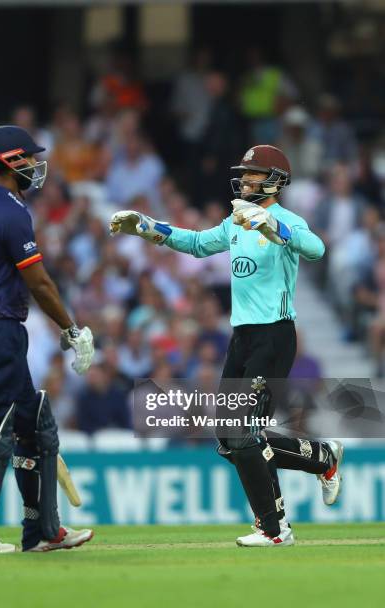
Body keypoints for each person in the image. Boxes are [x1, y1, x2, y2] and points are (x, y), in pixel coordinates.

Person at [110, 144, 343, 547]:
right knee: (227, 435)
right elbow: (198, 244)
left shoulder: (287, 219)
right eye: (245, 174)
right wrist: (148, 227)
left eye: (253, 174)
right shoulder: (236, 221)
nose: (246, 180)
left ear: (274, 181)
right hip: (243, 337)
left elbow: (317, 249)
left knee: (244, 435)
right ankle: (321, 457)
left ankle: (274, 528)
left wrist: (274, 229)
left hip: (274, 335)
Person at [0, 125, 95, 553]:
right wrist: (71, 330)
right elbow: (40, 282)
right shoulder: (11, 212)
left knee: (35, 426)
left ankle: (42, 533)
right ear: (10, 162)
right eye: (28, 159)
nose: (35, 166)